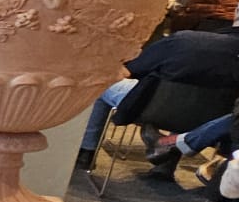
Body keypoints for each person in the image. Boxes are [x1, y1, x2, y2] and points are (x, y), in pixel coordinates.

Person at [76, 19, 239, 169]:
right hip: (209, 123)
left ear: (236, 13)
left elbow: (133, 69)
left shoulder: (185, 40)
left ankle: (86, 152)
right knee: (197, 101)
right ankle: (165, 166)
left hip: (149, 109)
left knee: (102, 82)